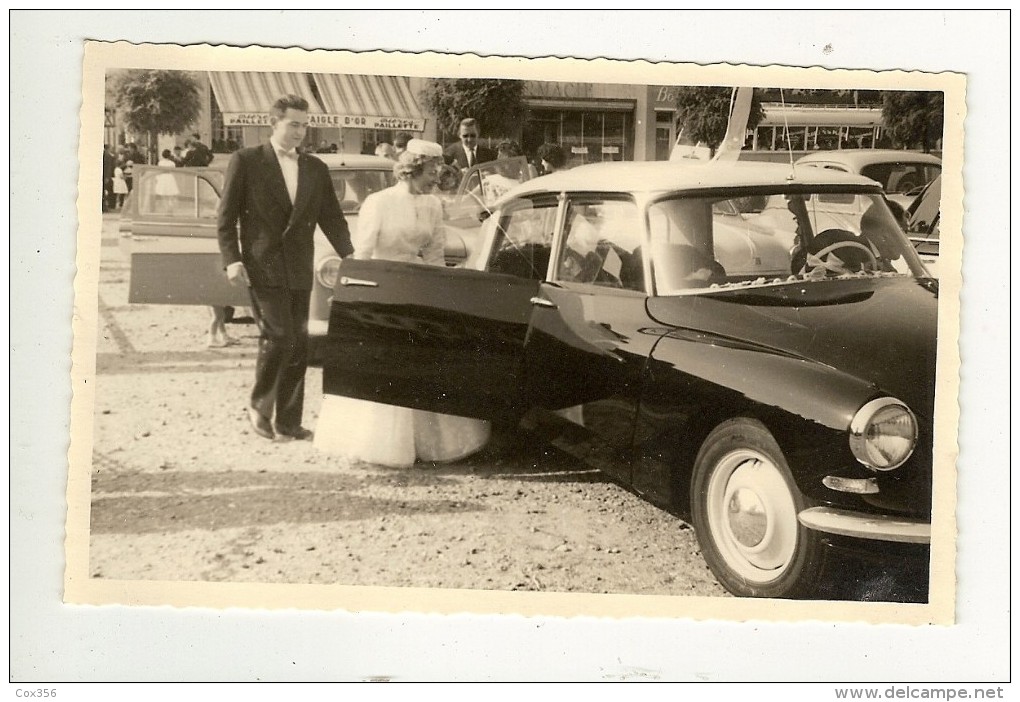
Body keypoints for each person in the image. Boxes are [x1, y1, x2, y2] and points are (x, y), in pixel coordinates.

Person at [314, 139, 491, 467]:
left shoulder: (433, 205)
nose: (436, 177)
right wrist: (360, 294)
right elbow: (364, 253)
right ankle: (383, 443)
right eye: (432, 169)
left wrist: (443, 294)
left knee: (422, 359)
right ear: (412, 168)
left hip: (419, 285)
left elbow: (436, 253)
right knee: (388, 360)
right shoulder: (379, 203)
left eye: (439, 169)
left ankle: (432, 443)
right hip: (385, 284)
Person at [217, 94, 354, 442]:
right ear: (273, 123)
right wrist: (232, 260)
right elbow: (226, 218)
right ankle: (259, 407)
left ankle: (289, 422)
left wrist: (353, 257)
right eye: (294, 124)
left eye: (305, 125)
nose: (300, 132)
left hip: (299, 267)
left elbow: (333, 221)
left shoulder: (315, 168)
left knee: (300, 343)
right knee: (279, 336)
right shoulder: (246, 161)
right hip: (262, 266)